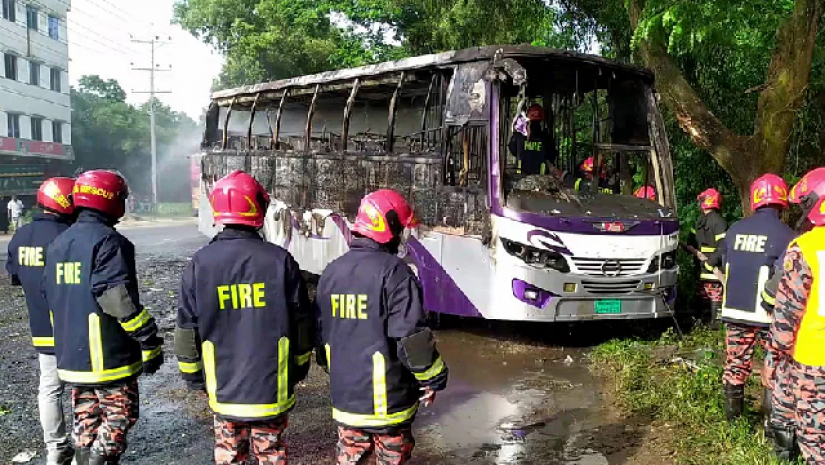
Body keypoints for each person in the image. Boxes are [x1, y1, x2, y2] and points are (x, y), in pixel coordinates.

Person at [175, 170, 314, 465]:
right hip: (271, 388)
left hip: (223, 389)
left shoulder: (201, 263)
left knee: (229, 457)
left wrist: (193, 378)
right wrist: (300, 367)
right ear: (258, 209)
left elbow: (186, 329)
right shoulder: (281, 261)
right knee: (271, 455)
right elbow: (303, 324)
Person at [316, 189, 449, 465]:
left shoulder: (331, 272)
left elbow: (321, 338)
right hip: (389, 407)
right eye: (402, 228)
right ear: (390, 228)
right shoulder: (396, 274)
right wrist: (433, 377)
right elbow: (411, 339)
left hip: (346, 403)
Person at [42, 170, 164, 465]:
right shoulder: (110, 241)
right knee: (120, 417)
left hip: (72, 357)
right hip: (107, 357)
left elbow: (49, 293)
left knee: (87, 423)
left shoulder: (59, 242)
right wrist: (148, 338)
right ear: (111, 200)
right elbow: (116, 299)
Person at [707, 174, 795, 421]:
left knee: (736, 364)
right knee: (773, 367)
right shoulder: (787, 235)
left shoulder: (735, 230)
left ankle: (733, 422)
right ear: (781, 201)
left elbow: (722, 262)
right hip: (769, 314)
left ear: (755, 199)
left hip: (735, 311)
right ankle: (770, 423)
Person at [6, 177, 76, 465]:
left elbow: (15, 278)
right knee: (84, 391)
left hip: (42, 329)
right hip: (74, 327)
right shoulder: (69, 236)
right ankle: (83, 451)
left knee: (50, 388)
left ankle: (56, 450)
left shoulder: (21, 236)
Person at [765, 167, 825, 463]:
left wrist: (772, 359)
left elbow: (786, 316)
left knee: (815, 442)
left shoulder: (804, 249)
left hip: (813, 362)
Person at [691, 188, 728, 327]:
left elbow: (721, 246)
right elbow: (723, 247)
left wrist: (707, 263)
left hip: (708, 269)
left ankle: (708, 324)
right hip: (711, 269)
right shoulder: (719, 222)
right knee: (710, 297)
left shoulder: (702, 221)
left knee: (707, 297)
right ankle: (712, 324)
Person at [508, 104, 558, 176]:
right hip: (541, 179)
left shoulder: (518, 136)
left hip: (520, 178)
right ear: (541, 120)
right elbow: (551, 156)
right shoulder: (546, 138)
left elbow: (512, 150)